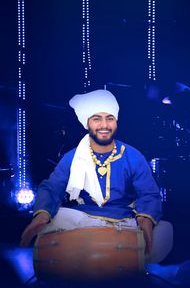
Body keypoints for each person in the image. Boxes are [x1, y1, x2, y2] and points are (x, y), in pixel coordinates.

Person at [20, 89, 173, 263]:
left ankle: (101, 255)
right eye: (96, 119)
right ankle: (117, 255)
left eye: (110, 118)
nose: (104, 125)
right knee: (49, 222)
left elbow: (148, 193)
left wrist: (146, 219)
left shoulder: (132, 155)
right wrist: (42, 215)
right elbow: (52, 187)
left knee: (165, 231)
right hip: (81, 219)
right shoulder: (73, 156)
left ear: (116, 122)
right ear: (87, 124)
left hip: (124, 221)